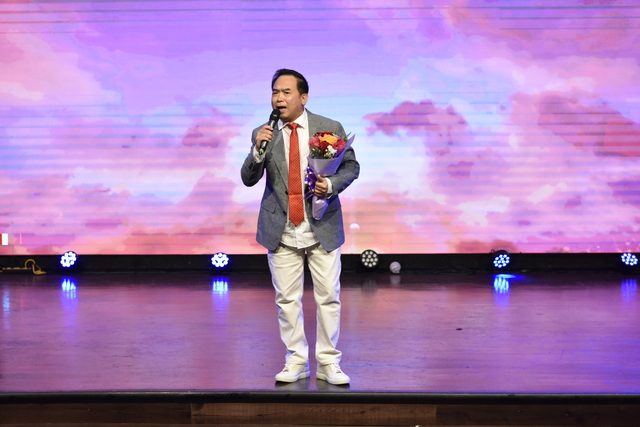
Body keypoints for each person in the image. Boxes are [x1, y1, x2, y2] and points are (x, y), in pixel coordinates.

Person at [241, 69, 360, 385]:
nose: (278, 98)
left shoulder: (328, 128)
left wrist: (330, 185)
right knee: (287, 300)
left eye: (286, 92)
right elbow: (248, 178)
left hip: (322, 223)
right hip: (280, 227)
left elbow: (351, 167)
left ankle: (328, 362)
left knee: (328, 297)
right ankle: (296, 360)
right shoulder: (263, 133)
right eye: (274, 92)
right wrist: (257, 150)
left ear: (303, 97)